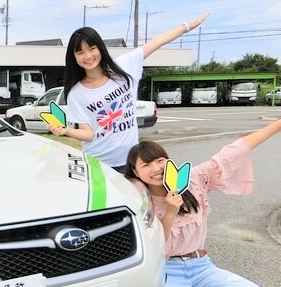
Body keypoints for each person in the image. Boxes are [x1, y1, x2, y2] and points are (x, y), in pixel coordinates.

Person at [124, 118, 281, 287]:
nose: (156, 169)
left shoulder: (193, 179)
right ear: (135, 172)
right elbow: (155, 242)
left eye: (159, 160)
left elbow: (235, 151)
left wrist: (278, 123)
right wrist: (170, 211)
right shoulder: (137, 196)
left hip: (201, 266)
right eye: (146, 165)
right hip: (166, 273)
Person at [47, 12, 210, 172]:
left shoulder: (124, 67)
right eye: (80, 52)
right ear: (74, 57)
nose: (88, 56)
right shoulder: (77, 92)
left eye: (91, 48)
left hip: (132, 160)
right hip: (98, 163)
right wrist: (66, 131)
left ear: (100, 48)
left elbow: (157, 41)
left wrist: (187, 26)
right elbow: (88, 134)